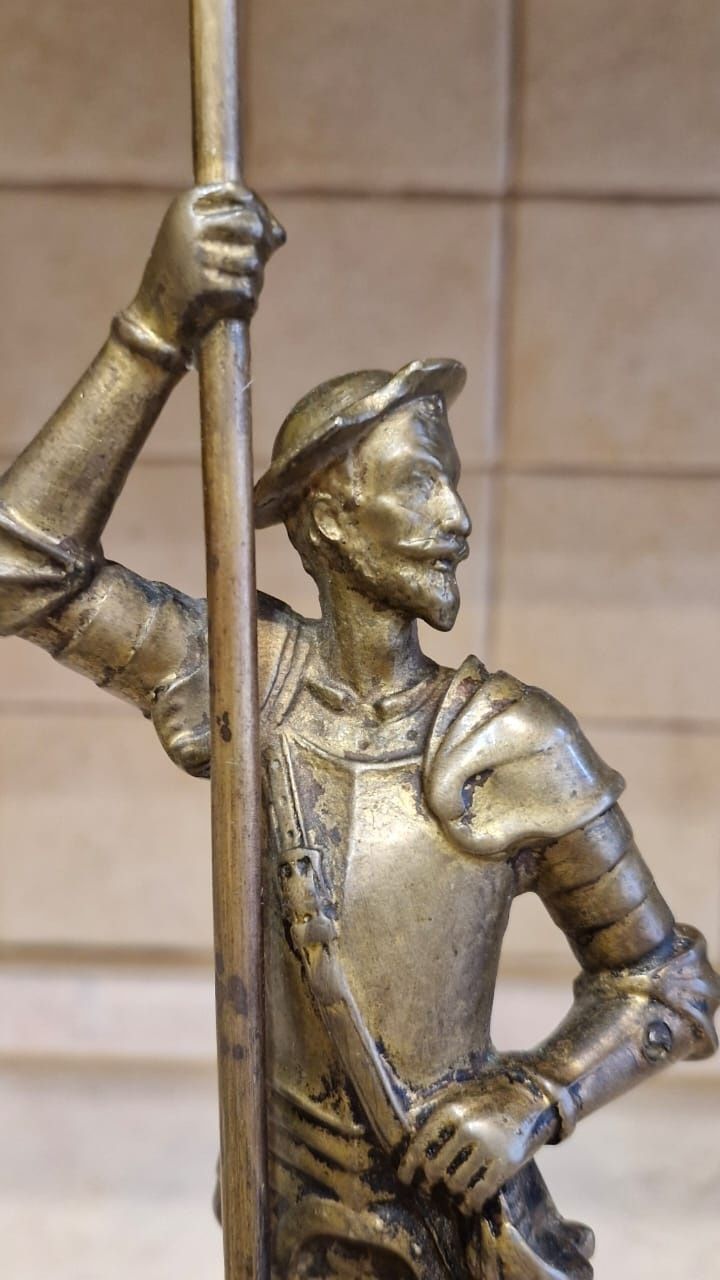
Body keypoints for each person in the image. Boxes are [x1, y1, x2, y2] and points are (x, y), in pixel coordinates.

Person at [0, 186, 717, 1280]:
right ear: (330, 517)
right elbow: (24, 567)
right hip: (291, 1240)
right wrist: (153, 328)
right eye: (422, 485)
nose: (457, 519)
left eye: (453, 488)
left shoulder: (515, 741)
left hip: (463, 1243)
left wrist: (536, 1096)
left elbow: (669, 984)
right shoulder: (246, 683)